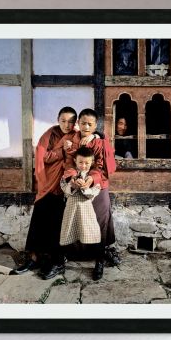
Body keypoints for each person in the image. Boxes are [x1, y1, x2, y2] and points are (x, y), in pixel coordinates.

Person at [12, 106, 77, 278]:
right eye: (63, 120)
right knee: (38, 220)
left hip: (64, 186)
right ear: (58, 120)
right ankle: (33, 258)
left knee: (58, 225)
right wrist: (61, 150)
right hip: (46, 184)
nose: (67, 124)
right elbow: (43, 157)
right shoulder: (49, 135)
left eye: (71, 121)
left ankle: (57, 262)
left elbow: (79, 157)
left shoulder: (76, 136)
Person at [62, 108, 121, 278]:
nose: (86, 127)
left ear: (95, 125)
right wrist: (73, 178)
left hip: (97, 187)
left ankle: (99, 261)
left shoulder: (99, 142)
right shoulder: (71, 140)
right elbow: (68, 163)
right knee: (78, 220)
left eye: (90, 124)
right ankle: (75, 255)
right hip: (78, 186)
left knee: (100, 222)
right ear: (78, 123)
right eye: (83, 123)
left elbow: (101, 167)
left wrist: (91, 180)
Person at [59, 147, 103, 265]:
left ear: (92, 162)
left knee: (92, 232)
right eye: (80, 162)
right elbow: (64, 188)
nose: (83, 166)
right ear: (75, 160)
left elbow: (95, 192)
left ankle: (99, 262)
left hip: (86, 208)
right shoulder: (69, 174)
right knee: (67, 231)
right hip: (71, 208)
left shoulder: (93, 177)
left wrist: (85, 188)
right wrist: (73, 186)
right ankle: (61, 261)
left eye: (87, 163)